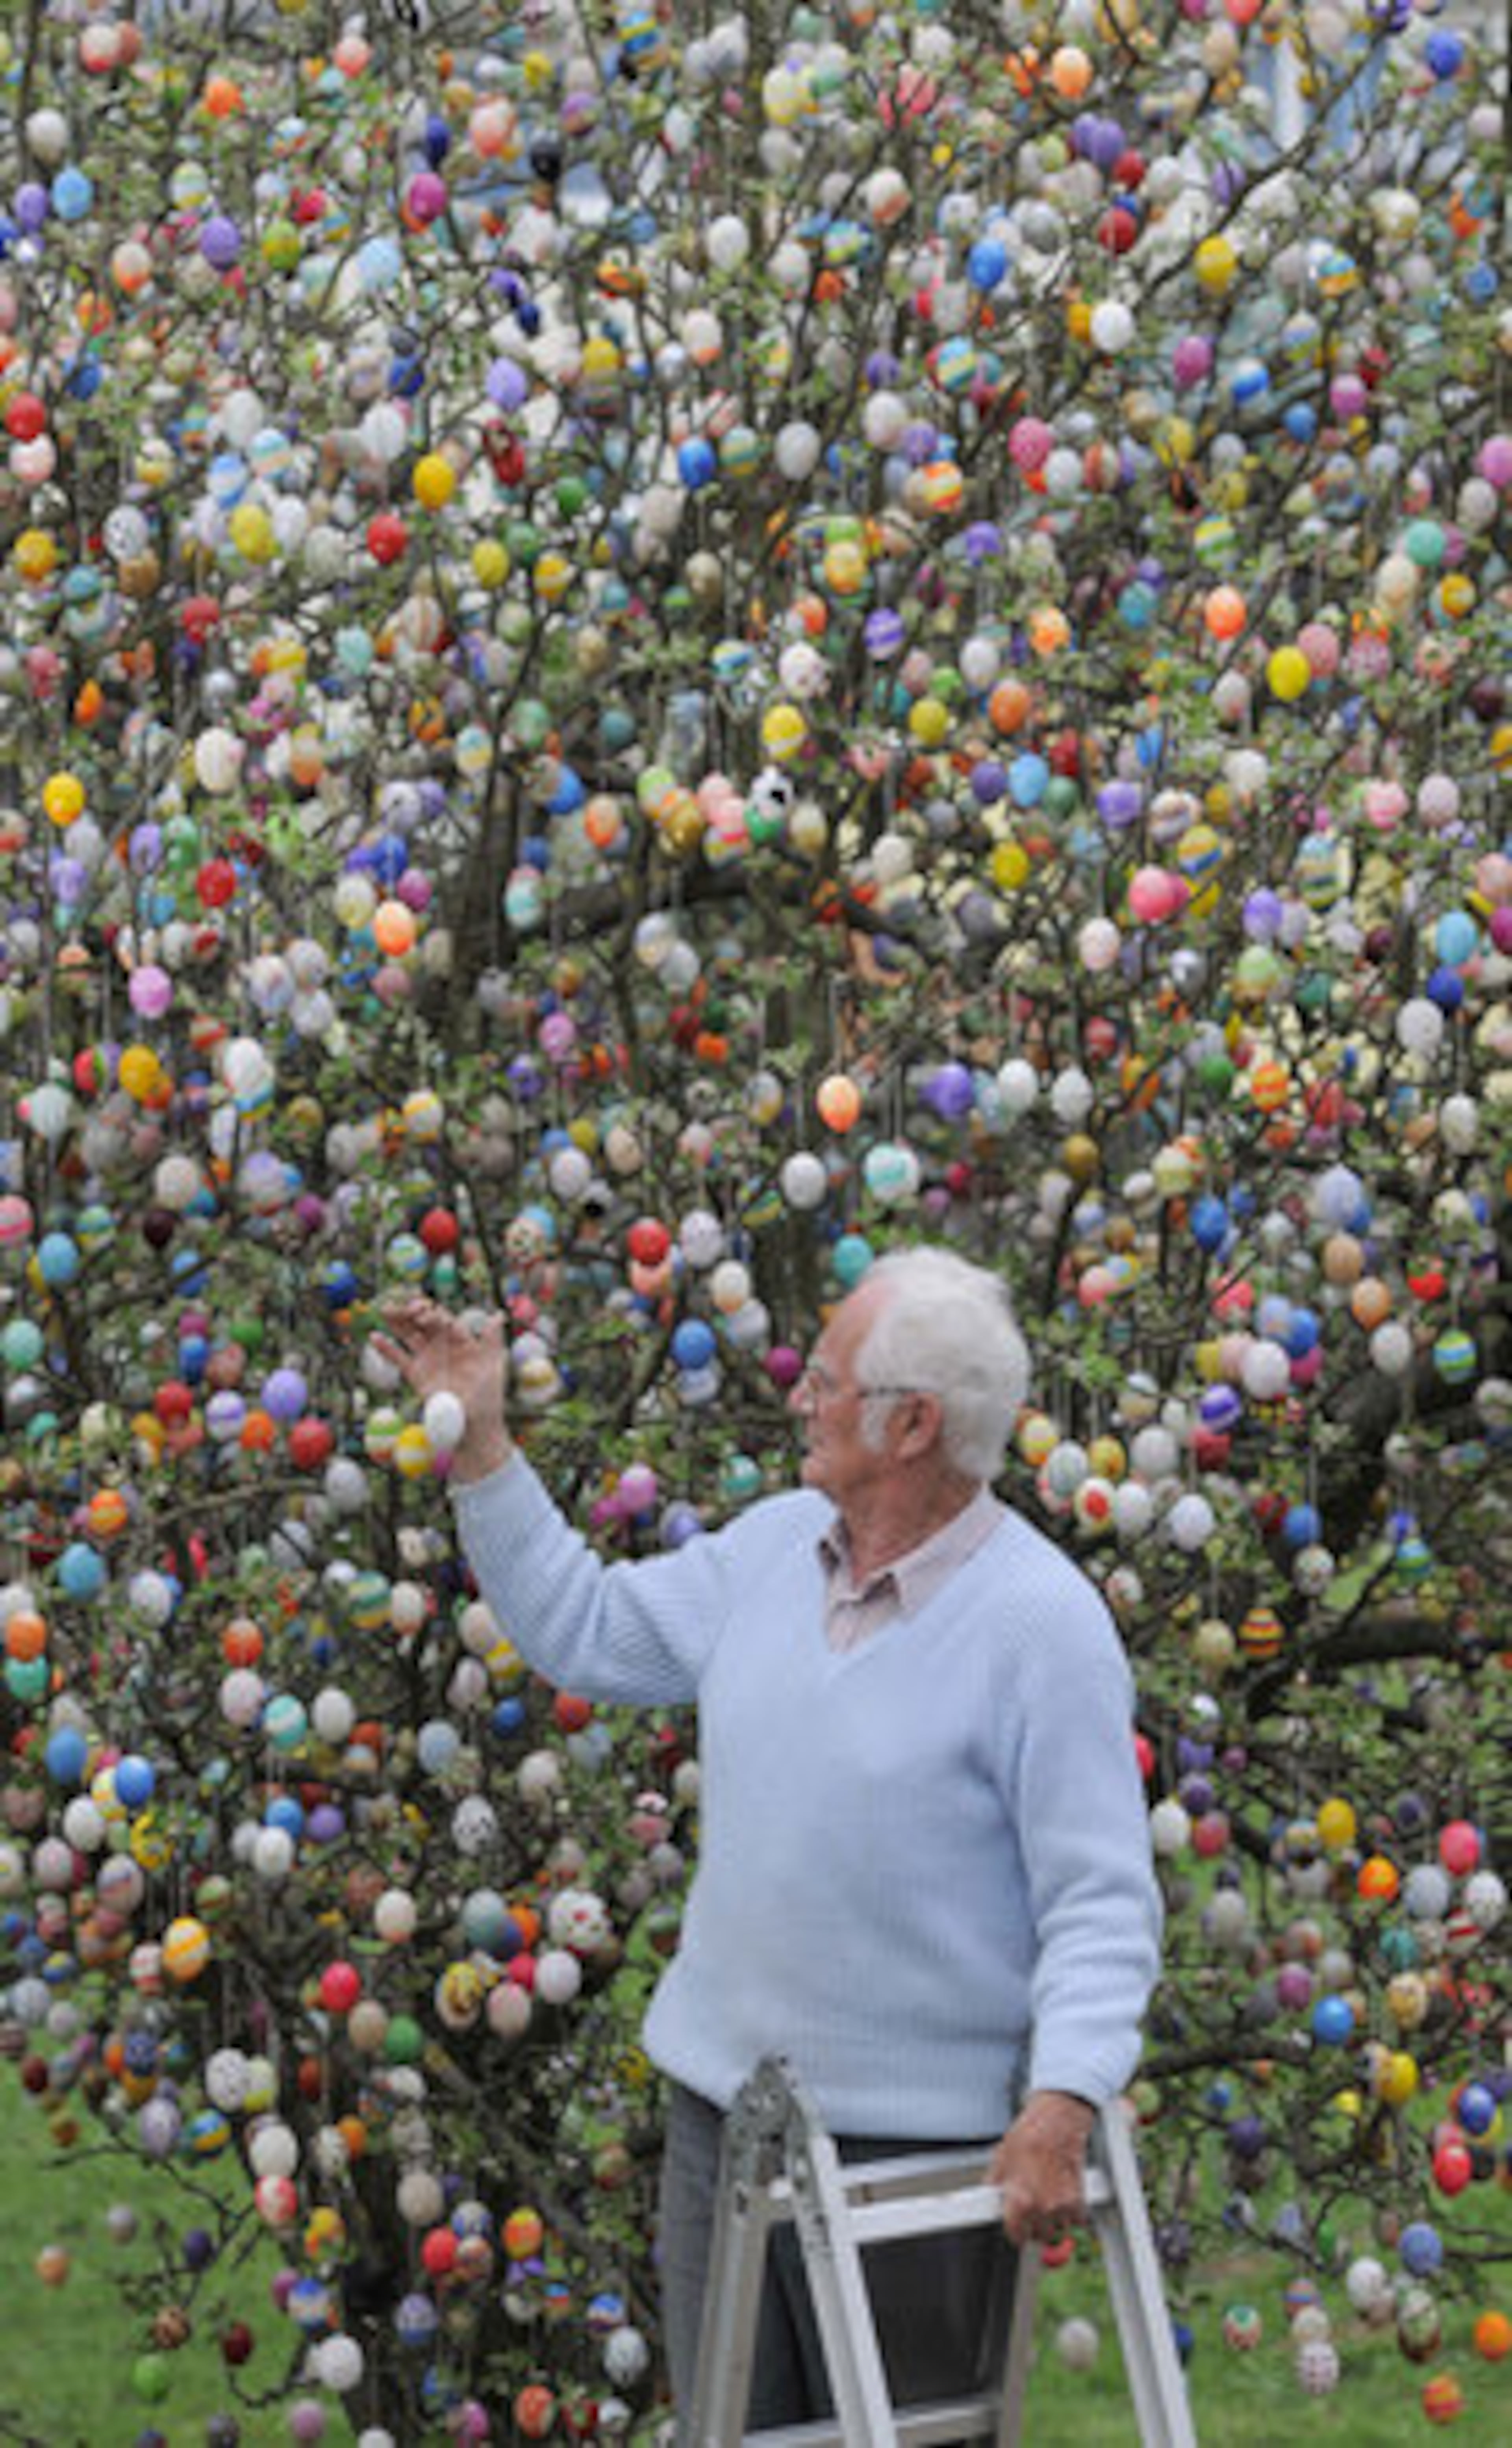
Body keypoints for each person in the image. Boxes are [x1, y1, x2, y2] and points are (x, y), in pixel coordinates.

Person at [374, 1246, 1162, 2436]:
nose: (800, 1392)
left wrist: (1062, 2102)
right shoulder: (780, 1546)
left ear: (911, 1425)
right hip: (727, 2126)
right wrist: (480, 1446)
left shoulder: (1040, 1627)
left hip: (919, 2159)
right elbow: (585, 1629)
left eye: (829, 1379)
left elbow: (1101, 1902)